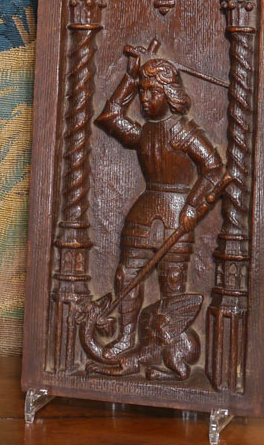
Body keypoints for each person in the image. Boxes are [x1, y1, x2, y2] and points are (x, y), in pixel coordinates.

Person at [94, 55, 226, 361]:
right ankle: (126, 338)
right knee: (127, 275)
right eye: (143, 91)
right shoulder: (146, 132)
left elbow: (213, 168)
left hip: (177, 211)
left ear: (169, 94)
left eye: (152, 91)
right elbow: (110, 117)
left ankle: (169, 345)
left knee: (173, 282)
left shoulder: (185, 131)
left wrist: (192, 206)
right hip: (145, 210)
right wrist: (129, 78)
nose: (145, 98)